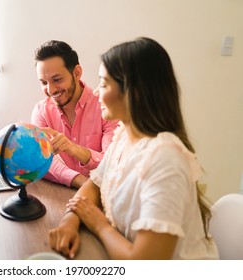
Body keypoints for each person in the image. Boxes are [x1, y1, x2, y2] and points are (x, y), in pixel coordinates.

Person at [48, 37, 219, 259]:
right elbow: (94, 185)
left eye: (104, 83)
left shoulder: (166, 158)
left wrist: (99, 224)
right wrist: (69, 221)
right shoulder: (124, 136)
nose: (97, 93)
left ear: (133, 92)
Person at [31, 40, 118, 188]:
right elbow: (42, 161)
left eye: (57, 80)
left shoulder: (106, 107)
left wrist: (75, 149)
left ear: (76, 73)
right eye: (44, 83)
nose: (50, 90)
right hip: (69, 192)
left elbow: (111, 163)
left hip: (106, 195)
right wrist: (79, 181)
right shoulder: (41, 111)